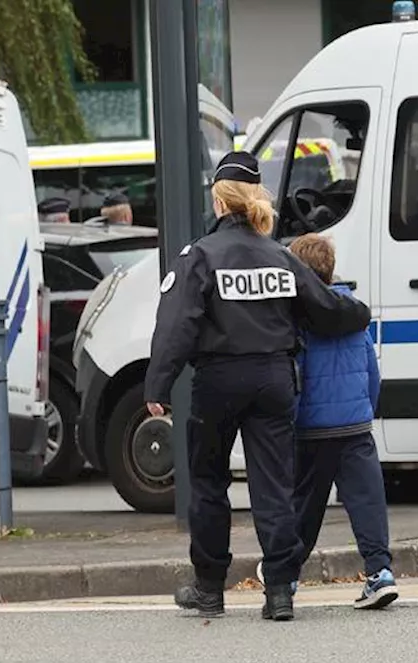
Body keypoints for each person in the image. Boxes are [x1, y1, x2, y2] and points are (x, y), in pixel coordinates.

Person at [146, 151, 372, 623]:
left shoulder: (200, 256)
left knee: (208, 482)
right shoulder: (280, 257)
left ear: (220, 200)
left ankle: (209, 589)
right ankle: (279, 592)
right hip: (273, 380)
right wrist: (361, 313)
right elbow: (326, 308)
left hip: (218, 381)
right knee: (274, 484)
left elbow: (176, 325)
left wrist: (159, 384)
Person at [279, 232, 397, 611]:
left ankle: (289, 577)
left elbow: (294, 377)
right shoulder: (353, 311)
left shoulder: (294, 318)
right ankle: (379, 572)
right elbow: (370, 370)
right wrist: (367, 410)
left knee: (305, 507)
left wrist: (289, 425)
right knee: (367, 503)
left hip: (312, 429)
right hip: (354, 427)